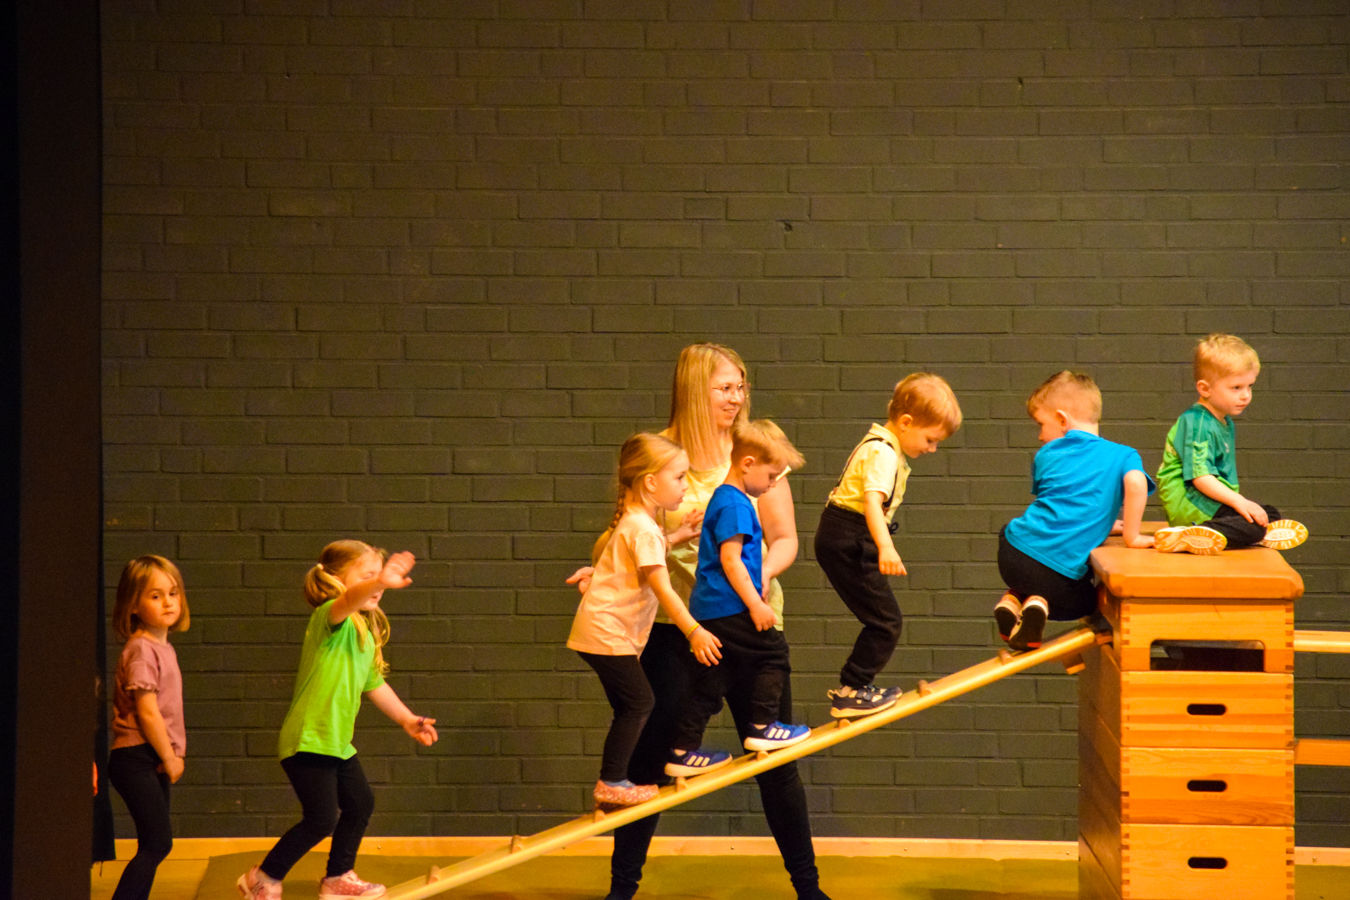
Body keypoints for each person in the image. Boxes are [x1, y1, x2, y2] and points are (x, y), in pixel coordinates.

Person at [569, 343, 831, 900]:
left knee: (775, 759)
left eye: (741, 386)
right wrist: (604, 569)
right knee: (650, 760)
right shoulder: (664, 456)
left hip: (750, 627)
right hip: (678, 630)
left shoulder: (756, 451)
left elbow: (785, 539)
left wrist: (755, 581)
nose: (736, 397)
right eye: (724, 388)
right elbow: (625, 534)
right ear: (694, 390)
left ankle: (809, 889)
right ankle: (621, 889)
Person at [238, 541, 439, 900]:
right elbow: (349, 600)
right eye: (367, 577)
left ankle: (337, 878)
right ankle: (262, 878)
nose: (376, 585)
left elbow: (374, 685)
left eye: (378, 577)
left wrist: (407, 719)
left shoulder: (364, 634)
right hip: (309, 738)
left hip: (336, 742)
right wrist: (382, 580)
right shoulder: (330, 617)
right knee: (320, 819)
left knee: (360, 803)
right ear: (336, 581)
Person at [568, 433, 723, 807]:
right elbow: (665, 590)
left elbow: (637, 554)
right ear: (651, 482)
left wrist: (679, 534)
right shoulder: (642, 527)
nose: (685, 485)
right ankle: (612, 782)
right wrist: (694, 630)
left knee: (631, 706)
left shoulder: (639, 523)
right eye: (680, 477)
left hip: (600, 632)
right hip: (607, 633)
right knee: (639, 703)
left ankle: (614, 780)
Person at [667, 420, 811, 774]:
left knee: (712, 681)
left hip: (711, 608)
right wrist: (757, 605)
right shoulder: (735, 505)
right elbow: (731, 561)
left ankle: (682, 749)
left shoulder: (723, 497)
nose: (774, 483)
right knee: (773, 654)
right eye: (771, 475)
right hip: (729, 606)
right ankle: (763, 726)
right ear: (747, 464)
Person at [814, 373, 962, 718]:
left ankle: (854, 687)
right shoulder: (883, 453)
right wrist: (886, 547)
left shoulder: (878, 445)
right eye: (930, 439)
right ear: (906, 422)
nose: (932, 449)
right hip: (849, 537)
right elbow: (871, 503)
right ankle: (852, 690)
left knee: (882, 619)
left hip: (842, 535)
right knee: (886, 622)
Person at [995, 372, 1155, 651]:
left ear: (1061, 420)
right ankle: (1038, 603)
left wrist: (1104, 524)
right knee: (1087, 603)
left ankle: (1014, 600)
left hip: (1012, 552)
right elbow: (1136, 483)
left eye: (1040, 425)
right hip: (1055, 573)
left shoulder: (1046, 455)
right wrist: (1132, 535)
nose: (1040, 436)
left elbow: (1062, 504)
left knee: (1034, 575)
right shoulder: (1124, 455)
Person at [1154, 333, 1308, 555]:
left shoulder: (1223, 421)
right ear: (1205, 389)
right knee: (1254, 525)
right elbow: (1200, 478)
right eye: (1236, 387)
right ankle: (1189, 534)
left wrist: (1243, 505)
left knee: (1269, 514)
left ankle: (1241, 534)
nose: (1246, 395)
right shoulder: (1197, 422)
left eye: (1249, 386)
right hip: (1193, 503)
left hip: (1210, 501)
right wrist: (1240, 502)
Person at [109, 555, 190, 900]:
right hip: (136, 755)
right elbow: (147, 712)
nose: (168, 602)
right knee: (157, 843)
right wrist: (169, 756)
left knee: (154, 843)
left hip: (148, 755)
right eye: (155, 596)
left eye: (173, 593)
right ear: (133, 605)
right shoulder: (142, 649)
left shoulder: (162, 647)